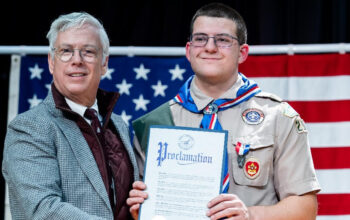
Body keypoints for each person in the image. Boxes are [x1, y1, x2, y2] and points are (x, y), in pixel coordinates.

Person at [127, 3, 320, 220]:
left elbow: (305, 209)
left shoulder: (278, 117)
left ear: (242, 53)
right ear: (189, 51)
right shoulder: (155, 123)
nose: (210, 47)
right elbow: (145, 210)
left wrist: (250, 215)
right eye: (201, 39)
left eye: (223, 40)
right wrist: (140, 212)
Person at [2, 12, 138, 220]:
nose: (77, 60)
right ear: (51, 62)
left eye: (89, 51)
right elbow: (42, 210)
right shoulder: (28, 128)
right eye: (66, 51)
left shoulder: (117, 125)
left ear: (104, 63)